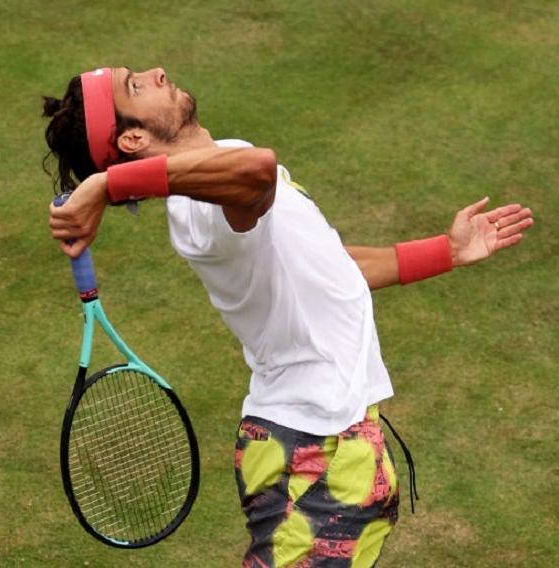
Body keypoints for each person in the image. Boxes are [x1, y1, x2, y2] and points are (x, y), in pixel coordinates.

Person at [43, 66, 533, 567]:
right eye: (136, 86)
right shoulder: (199, 211)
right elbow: (255, 171)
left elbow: (325, 267)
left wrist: (446, 252)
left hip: (334, 441)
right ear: (132, 137)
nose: (157, 71)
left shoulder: (223, 164)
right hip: (311, 454)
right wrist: (107, 186)